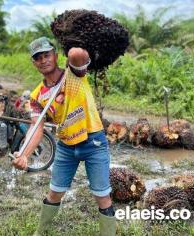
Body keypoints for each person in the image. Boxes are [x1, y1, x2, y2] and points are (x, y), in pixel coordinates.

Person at [12, 37, 116, 236]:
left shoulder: (74, 73)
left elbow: (78, 55)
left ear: (56, 55)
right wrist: (24, 154)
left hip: (93, 142)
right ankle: (40, 232)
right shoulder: (36, 96)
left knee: (102, 195)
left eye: (46, 55)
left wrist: (73, 42)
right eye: (38, 58)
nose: (43, 60)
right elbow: (36, 128)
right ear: (33, 63)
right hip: (66, 147)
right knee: (54, 192)